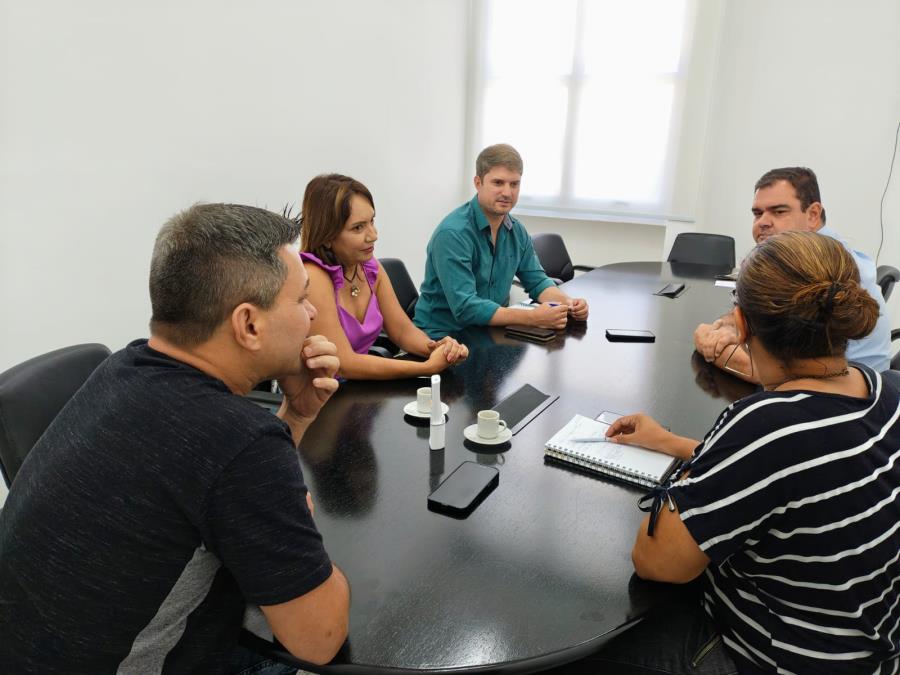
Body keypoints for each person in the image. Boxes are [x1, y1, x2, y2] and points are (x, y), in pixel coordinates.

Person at [0, 204, 350, 674]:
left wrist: (297, 415)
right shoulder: (239, 441)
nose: (312, 314)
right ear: (249, 324)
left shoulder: (122, 368)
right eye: (301, 299)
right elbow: (318, 640)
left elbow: (207, 482)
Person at [589, 232, 900, 674]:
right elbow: (798, 476)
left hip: (772, 659)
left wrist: (690, 470)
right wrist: (672, 443)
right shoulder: (882, 389)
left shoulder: (766, 425)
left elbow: (657, 560)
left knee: (591, 655)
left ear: (743, 323)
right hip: (865, 651)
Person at [694, 167, 891, 379]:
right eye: (757, 213)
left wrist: (711, 345)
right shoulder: (811, 253)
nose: (763, 222)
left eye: (779, 211)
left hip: (849, 391)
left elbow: (787, 375)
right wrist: (726, 324)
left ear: (813, 215)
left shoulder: (819, 267)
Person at [300, 173, 468, 379]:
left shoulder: (370, 267)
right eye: (358, 227)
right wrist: (427, 368)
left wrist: (438, 350)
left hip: (356, 390)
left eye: (372, 221)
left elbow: (402, 331)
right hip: (319, 398)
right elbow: (343, 363)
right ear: (327, 236)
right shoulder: (313, 277)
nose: (373, 235)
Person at [413, 143, 589, 337]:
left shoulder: (516, 230)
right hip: (443, 337)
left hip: (488, 331)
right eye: (498, 183)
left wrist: (569, 303)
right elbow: (465, 307)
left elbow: (538, 282)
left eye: (514, 184)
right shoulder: (453, 234)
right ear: (478, 182)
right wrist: (532, 317)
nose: (507, 192)